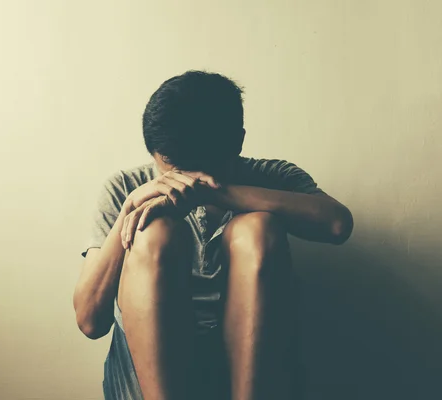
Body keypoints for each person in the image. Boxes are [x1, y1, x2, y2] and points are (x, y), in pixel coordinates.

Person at [73, 70, 353, 400]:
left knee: (256, 228)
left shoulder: (269, 176)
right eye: (173, 167)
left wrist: (218, 193)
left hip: (251, 369)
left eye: (200, 169)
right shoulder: (126, 186)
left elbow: (337, 224)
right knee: (153, 232)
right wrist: (129, 209)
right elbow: (90, 320)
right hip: (147, 374)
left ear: (237, 143)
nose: (185, 180)